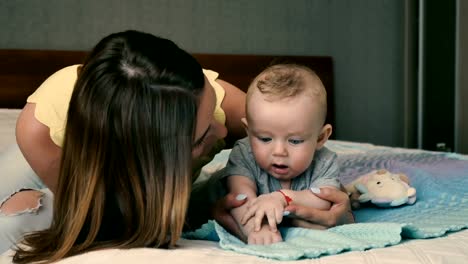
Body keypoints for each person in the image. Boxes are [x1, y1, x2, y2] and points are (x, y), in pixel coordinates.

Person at [0, 30, 353, 262]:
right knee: (18, 220)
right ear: (156, 160)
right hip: (53, 166)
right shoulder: (41, 132)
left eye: (212, 104)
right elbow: (111, 217)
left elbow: (285, 154)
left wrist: (323, 207)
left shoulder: (228, 108)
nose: (221, 129)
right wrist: (194, 208)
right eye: (202, 137)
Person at [219, 64, 341, 245]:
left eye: (295, 141)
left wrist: (281, 198)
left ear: (321, 138)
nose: (279, 152)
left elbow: (324, 201)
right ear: (249, 131)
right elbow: (240, 198)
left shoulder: (325, 161)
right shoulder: (244, 153)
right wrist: (258, 228)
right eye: (265, 139)